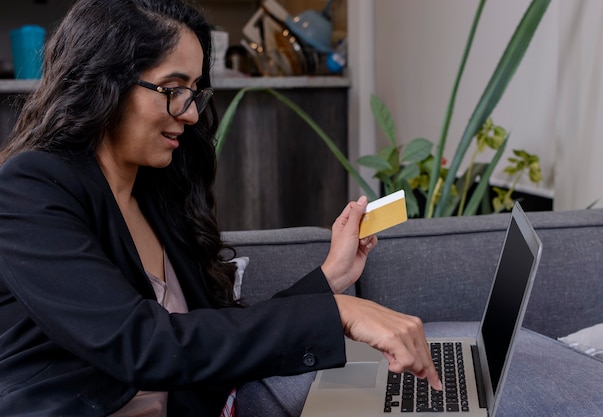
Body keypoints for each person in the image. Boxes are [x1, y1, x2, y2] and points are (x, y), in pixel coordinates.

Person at [0, 0, 442, 415]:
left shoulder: (155, 193)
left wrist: (330, 281)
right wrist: (340, 313)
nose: (190, 114)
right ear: (105, 82)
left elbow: (212, 338)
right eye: (173, 89)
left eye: (194, 92)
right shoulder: (30, 189)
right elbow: (144, 347)